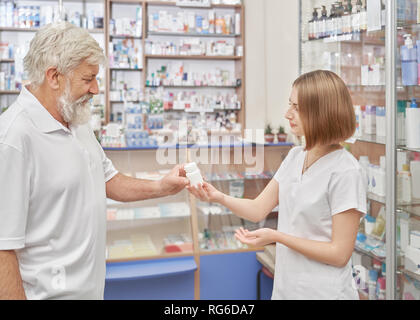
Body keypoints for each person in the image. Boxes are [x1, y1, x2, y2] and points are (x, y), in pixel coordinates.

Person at [0, 22, 189, 300]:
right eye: (88, 79)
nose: (96, 89)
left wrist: (162, 186)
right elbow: (4, 248)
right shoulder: (13, 138)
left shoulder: (76, 119)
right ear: (54, 77)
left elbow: (107, 179)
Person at [188, 70, 367, 300]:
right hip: (287, 289)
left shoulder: (345, 171)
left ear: (321, 113)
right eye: (289, 105)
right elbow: (257, 209)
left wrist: (278, 236)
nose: (287, 114)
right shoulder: (295, 157)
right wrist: (218, 197)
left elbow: (339, 254)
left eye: (296, 108)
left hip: (324, 293)